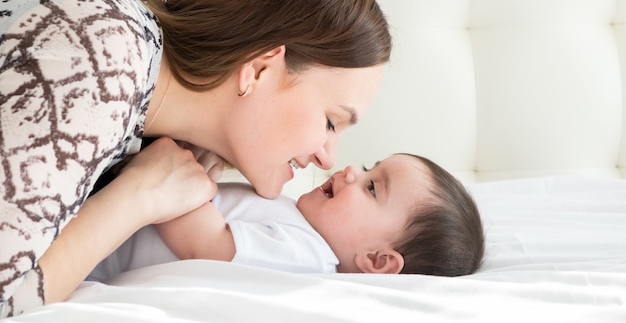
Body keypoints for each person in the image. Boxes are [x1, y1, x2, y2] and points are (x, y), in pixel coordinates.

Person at [0, 0, 391, 318]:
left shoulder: (135, 81)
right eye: (330, 122)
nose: (329, 158)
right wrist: (137, 197)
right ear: (260, 69)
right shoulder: (103, 53)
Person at [89, 153, 485, 280]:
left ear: (378, 261)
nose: (351, 172)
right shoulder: (298, 221)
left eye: (371, 187)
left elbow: (204, 242)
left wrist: (167, 162)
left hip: (95, 247)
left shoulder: (307, 256)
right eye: (368, 166)